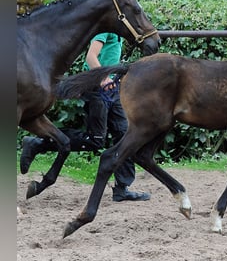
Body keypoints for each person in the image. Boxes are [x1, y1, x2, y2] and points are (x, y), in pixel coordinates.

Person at [20, 32, 150, 202]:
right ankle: (38, 144)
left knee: (124, 134)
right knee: (95, 139)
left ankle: (122, 188)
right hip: (97, 89)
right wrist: (104, 79)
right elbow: (91, 57)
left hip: (111, 90)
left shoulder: (118, 33)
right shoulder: (106, 30)